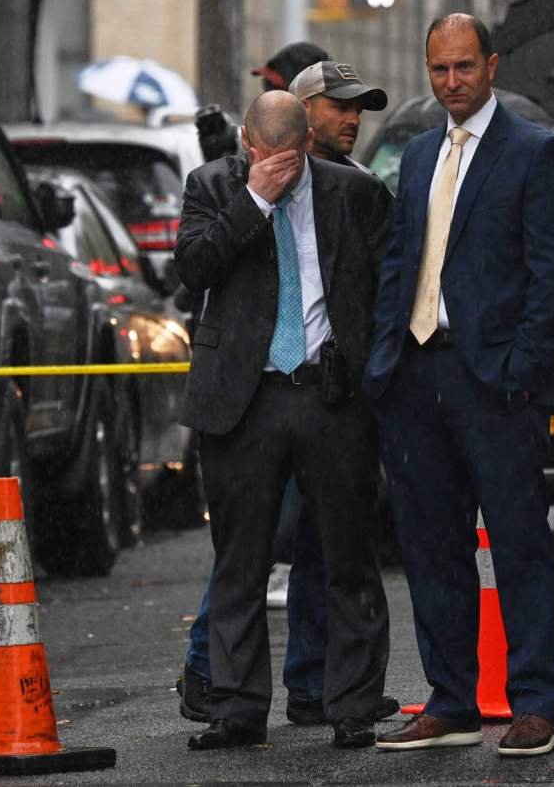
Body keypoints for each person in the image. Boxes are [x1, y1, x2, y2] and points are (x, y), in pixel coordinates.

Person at [364, 14, 554, 757]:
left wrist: (522, 367)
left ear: (491, 66)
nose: (451, 82)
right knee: (429, 545)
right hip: (415, 373)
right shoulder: (419, 156)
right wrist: (382, 361)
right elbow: (400, 259)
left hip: (496, 382)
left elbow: (553, 276)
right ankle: (451, 700)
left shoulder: (536, 153)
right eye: (439, 70)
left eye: (463, 67)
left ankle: (537, 703)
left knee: (519, 544)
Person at [178, 44, 397, 734]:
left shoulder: (353, 191)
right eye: (262, 155)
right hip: (246, 397)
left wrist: (370, 374)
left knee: (347, 559)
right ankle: (236, 708)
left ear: (307, 142)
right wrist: (255, 200)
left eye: (289, 157)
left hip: (328, 393)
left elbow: (384, 287)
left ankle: (351, 706)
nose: (278, 166)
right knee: (240, 562)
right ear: (247, 144)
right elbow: (195, 267)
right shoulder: (212, 185)